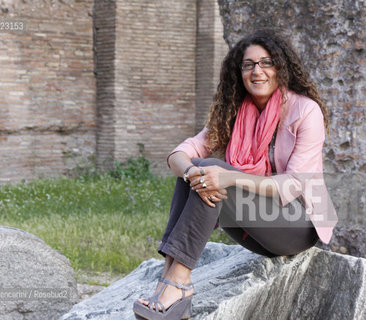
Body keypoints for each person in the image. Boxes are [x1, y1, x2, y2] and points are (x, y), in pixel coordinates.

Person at [133, 29, 338, 320]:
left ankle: (176, 283)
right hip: (253, 227)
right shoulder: (234, 111)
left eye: (266, 62)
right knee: (199, 169)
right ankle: (172, 278)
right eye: (248, 64)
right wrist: (191, 171)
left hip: (298, 225)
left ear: (281, 67)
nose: (258, 71)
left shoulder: (306, 111)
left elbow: (294, 184)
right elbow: (180, 153)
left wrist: (229, 178)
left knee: (217, 172)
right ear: (239, 71)